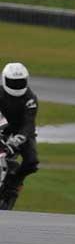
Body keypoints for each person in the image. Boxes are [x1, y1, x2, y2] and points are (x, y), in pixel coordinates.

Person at [0, 62, 39, 206]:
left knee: (32, 162)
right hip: (2, 128)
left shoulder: (30, 98)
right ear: (4, 80)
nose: (16, 85)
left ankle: (14, 184)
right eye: (13, 82)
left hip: (22, 132)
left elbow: (29, 123)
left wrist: (17, 139)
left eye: (20, 82)